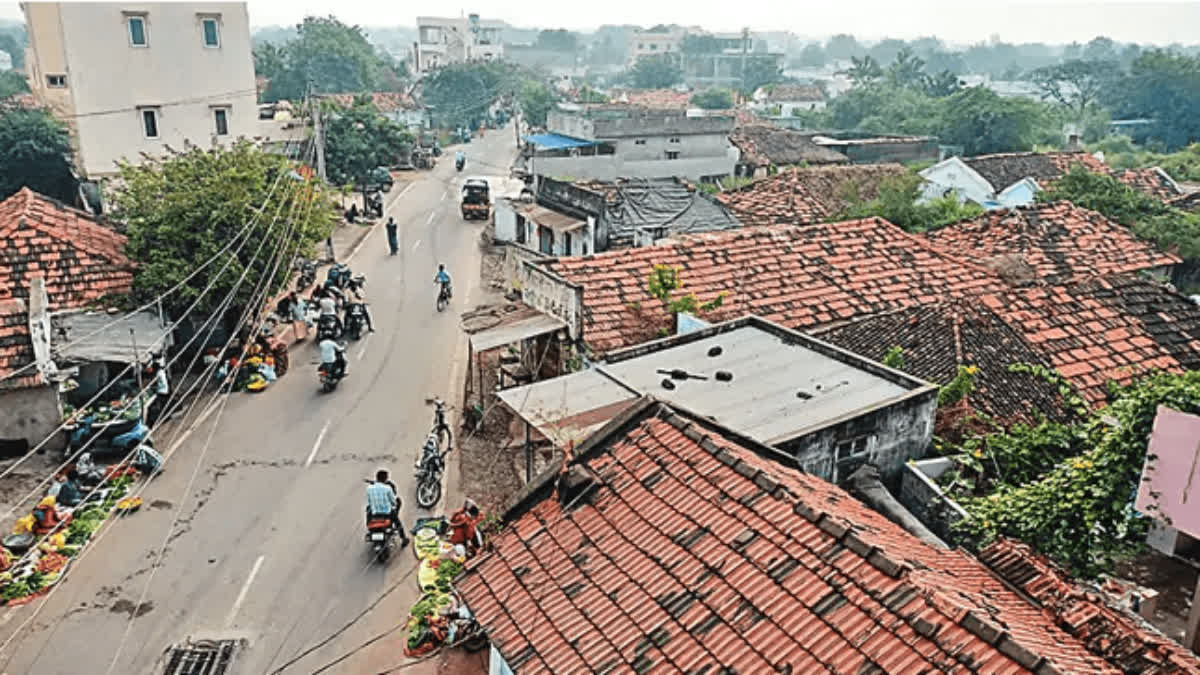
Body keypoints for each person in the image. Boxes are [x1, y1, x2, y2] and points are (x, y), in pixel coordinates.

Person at [365, 469, 409, 546]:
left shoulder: (369, 488)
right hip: (387, 514)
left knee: (368, 509)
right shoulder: (388, 488)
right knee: (397, 521)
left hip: (375, 514)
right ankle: (403, 539)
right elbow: (393, 502)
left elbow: (370, 501)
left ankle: (370, 528)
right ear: (385, 479)